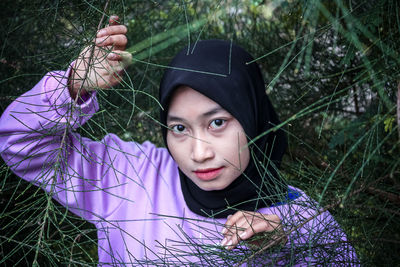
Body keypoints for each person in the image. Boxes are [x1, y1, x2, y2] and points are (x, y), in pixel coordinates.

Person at [0, 16, 358, 266]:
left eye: (217, 122)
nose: (199, 154)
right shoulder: (133, 178)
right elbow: (20, 141)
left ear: (252, 118)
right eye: (180, 129)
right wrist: (72, 85)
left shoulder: (303, 222)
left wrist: (292, 247)